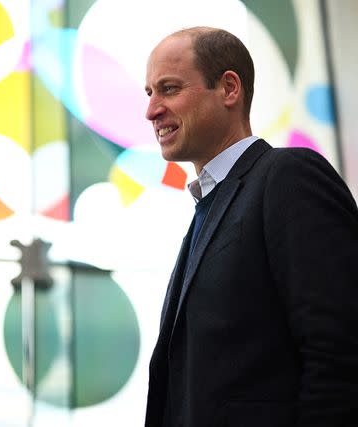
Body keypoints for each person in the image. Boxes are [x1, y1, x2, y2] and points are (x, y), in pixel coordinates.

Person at [143, 27, 358, 426]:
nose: (152, 110)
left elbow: (340, 351)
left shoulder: (288, 177)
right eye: (149, 93)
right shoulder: (206, 208)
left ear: (229, 88)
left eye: (169, 89)